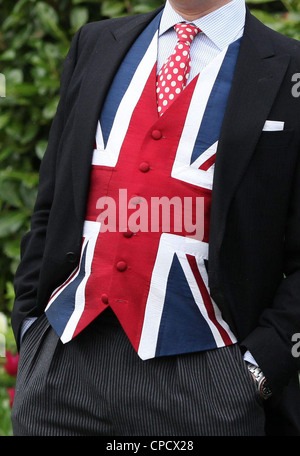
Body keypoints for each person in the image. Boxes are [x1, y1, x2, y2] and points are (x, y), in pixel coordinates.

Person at [10, 0, 300, 436]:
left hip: (207, 381)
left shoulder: (290, 67)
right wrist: (31, 327)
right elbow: (52, 198)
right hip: (61, 369)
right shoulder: (95, 43)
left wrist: (258, 370)